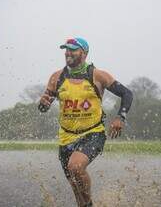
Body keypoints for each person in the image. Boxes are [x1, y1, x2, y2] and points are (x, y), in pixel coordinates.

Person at [38, 37, 133, 207]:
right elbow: (44, 105)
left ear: (84, 53)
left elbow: (127, 94)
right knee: (75, 185)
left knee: (75, 167)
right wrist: (43, 104)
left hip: (92, 133)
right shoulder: (57, 77)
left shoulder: (97, 75)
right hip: (66, 138)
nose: (68, 53)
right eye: (66, 49)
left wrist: (120, 117)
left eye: (73, 49)